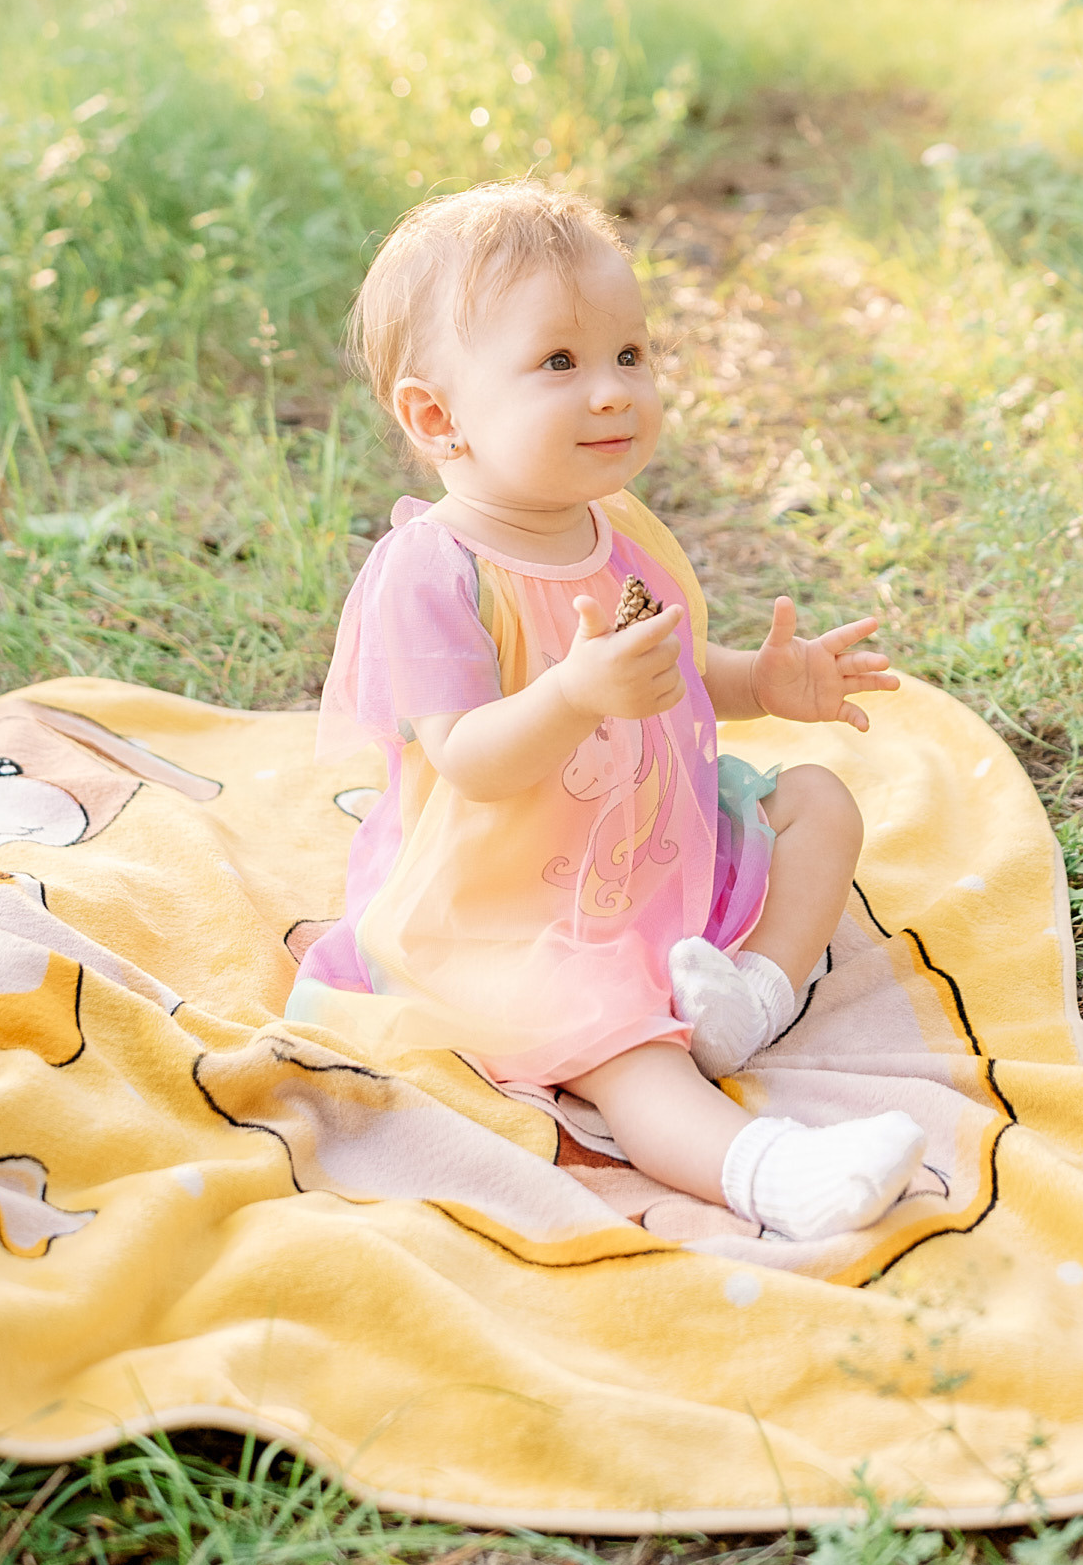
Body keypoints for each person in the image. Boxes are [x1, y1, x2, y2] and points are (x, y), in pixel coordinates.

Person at [288, 184, 925, 1240]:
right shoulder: (432, 570)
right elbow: (469, 756)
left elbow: (664, 672)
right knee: (626, 1050)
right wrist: (572, 693)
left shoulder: (612, 529)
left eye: (629, 354)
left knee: (819, 803)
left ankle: (750, 997)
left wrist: (760, 684)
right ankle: (766, 1171)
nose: (613, 392)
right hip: (514, 904)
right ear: (437, 417)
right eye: (559, 362)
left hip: (647, 845)